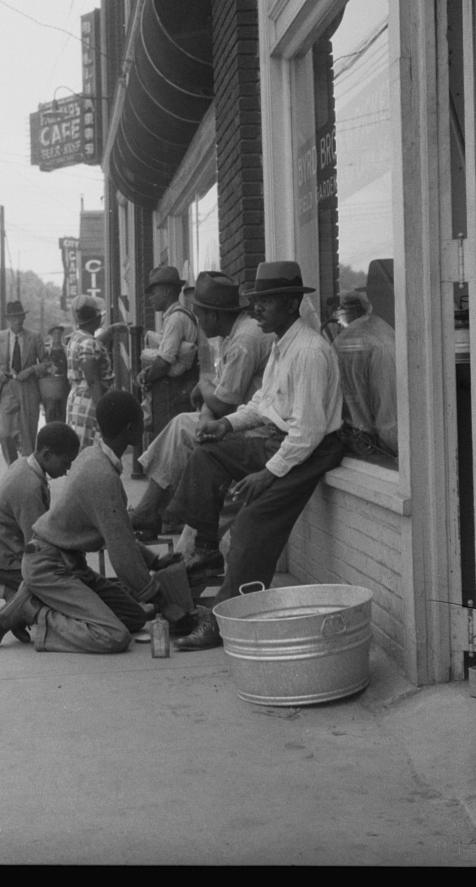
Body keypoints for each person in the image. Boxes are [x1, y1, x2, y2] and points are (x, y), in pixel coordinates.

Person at [164, 261, 345, 651]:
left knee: (249, 526)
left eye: (266, 301)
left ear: (292, 302)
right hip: (282, 440)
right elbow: (263, 403)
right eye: (256, 301)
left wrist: (267, 474)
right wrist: (226, 425)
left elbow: (309, 432)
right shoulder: (282, 345)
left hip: (310, 451)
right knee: (207, 454)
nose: (256, 309)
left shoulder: (310, 351)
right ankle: (208, 550)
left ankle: (223, 620)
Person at [0, 391, 192, 653]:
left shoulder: (94, 457)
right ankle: (35, 612)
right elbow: (122, 553)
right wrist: (163, 602)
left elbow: (116, 532)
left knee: (136, 618)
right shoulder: (101, 475)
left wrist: (154, 562)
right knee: (115, 636)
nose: (147, 423)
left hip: (68, 563)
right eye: (143, 419)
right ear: (131, 429)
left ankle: (37, 598)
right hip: (49, 566)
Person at [130, 271, 274, 546]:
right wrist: (208, 406)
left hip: (257, 431)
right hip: (240, 422)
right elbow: (217, 400)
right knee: (184, 425)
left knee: (183, 430)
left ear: (214, 316)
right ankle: (156, 512)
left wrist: (203, 385)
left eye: (200, 313)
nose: (197, 321)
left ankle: (153, 512)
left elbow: (223, 401)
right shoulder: (236, 335)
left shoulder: (245, 340)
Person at [0, 422, 81, 633]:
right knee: (56, 587)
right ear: (47, 455)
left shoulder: (25, 465)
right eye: (65, 463)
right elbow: (37, 544)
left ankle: (11, 599)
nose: (67, 470)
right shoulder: (28, 486)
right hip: (0, 558)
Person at [334, 259, 398, 457]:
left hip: (347, 446)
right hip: (374, 453)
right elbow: (390, 427)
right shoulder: (384, 346)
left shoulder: (348, 335)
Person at [0, 301, 47, 466]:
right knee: (4, 433)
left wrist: (31, 369)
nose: (18, 320)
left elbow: (47, 363)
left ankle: (28, 472)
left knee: (28, 434)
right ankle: (12, 468)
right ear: (8, 319)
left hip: (28, 388)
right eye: (14, 317)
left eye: (20, 316)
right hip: (6, 388)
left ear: (24, 317)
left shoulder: (34, 337)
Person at [136, 265, 199, 436]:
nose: (150, 297)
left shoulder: (175, 319)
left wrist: (147, 379)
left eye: (153, 292)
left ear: (166, 291)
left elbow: (164, 362)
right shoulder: (179, 316)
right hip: (179, 393)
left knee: (168, 441)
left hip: (174, 395)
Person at [65, 296, 114, 449]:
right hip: (90, 401)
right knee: (91, 449)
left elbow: (92, 346)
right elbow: (93, 381)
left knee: (79, 447)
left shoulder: (76, 338)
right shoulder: (89, 343)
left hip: (77, 399)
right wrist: (103, 413)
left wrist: (111, 331)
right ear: (97, 318)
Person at [39, 324, 70, 424]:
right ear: (51, 335)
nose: (57, 335)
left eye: (59, 333)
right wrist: (49, 369)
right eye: (55, 333)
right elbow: (42, 366)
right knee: (51, 411)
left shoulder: (66, 350)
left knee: (63, 411)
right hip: (51, 386)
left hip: (65, 385)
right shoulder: (47, 350)